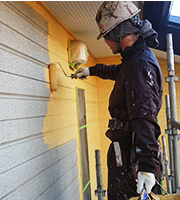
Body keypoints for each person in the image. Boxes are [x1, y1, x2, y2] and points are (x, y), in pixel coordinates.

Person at [76, 2, 163, 200]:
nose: (105, 42)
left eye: (106, 36)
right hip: (126, 151)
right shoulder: (134, 61)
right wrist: (92, 70)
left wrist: (147, 166)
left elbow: (144, 117)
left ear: (118, 32)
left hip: (130, 156)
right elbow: (118, 72)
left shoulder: (140, 65)